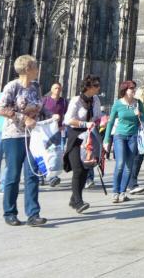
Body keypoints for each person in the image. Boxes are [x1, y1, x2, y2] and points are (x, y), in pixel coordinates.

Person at [0, 55, 46, 226]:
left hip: (32, 135)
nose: (38, 69)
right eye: (35, 66)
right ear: (27, 69)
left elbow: (40, 106)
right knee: (13, 174)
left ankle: (33, 214)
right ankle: (9, 213)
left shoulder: (36, 87)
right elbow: (1, 109)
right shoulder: (12, 86)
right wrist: (24, 118)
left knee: (33, 173)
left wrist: (46, 115)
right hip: (14, 135)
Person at [63, 74, 102, 214]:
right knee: (78, 169)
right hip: (76, 137)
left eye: (98, 85)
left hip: (89, 137)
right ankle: (78, 202)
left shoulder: (96, 99)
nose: (98, 88)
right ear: (88, 87)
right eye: (96, 85)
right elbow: (68, 120)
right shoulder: (76, 100)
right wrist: (85, 124)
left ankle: (74, 198)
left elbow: (97, 117)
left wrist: (101, 121)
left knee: (86, 168)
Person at [103, 80, 144, 203]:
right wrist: (106, 139)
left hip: (133, 137)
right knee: (120, 163)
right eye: (131, 88)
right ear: (125, 90)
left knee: (128, 167)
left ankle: (122, 192)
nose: (134, 90)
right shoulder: (118, 104)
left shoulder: (138, 103)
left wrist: (139, 114)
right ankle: (115, 192)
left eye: (134, 88)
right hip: (119, 136)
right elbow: (110, 122)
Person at [127, 86, 144, 195]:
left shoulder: (133, 104)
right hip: (139, 136)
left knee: (132, 160)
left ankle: (129, 183)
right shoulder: (141, 105)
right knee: (137, 160)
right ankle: (132, 184)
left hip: (132, 134)